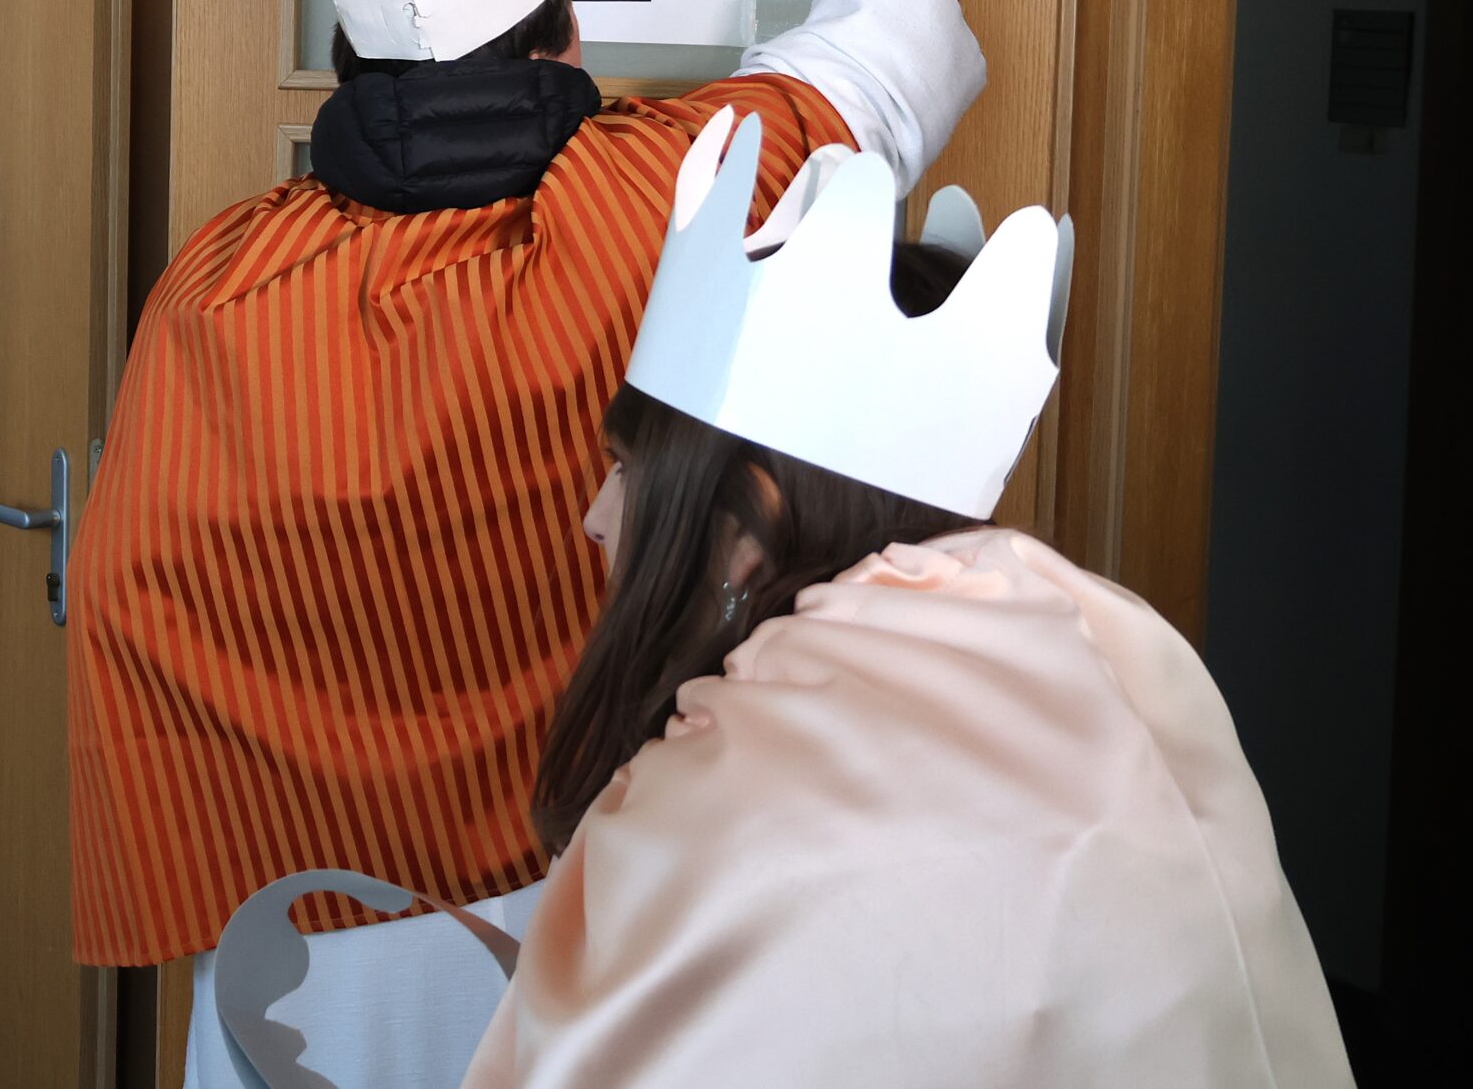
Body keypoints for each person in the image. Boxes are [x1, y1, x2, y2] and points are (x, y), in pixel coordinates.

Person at [68, 0, 988, 1086]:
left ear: (350, 64)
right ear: (565, 33)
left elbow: (141, 585)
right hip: (588, 896)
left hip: (288, 942)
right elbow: (890, 36)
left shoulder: (219, 283)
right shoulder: (668, 193)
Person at [450, 113, 1350, 1087]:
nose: (594, 516)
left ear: (748, 525)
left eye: (626, 469)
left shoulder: (726, 803)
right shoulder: (1112, 649)